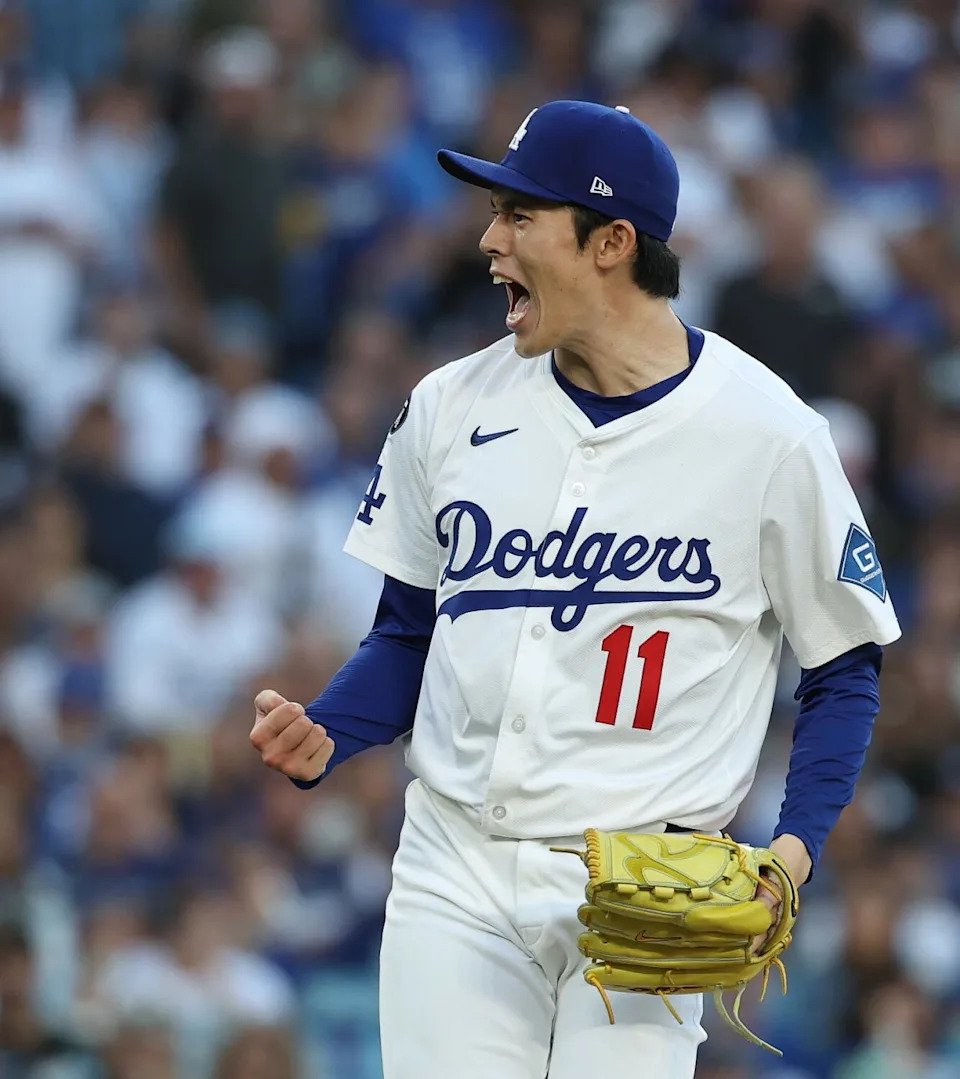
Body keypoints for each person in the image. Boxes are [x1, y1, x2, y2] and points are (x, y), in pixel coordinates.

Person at [250, 100, 901, 1078]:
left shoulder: (771, 436)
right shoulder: (448, 406)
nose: (487, 239)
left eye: (519, 215)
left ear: (612, 243)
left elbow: (845, 668)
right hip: (456, 866)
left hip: (648, 885)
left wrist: (793, 849)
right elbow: (406, 636)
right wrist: (330, 729)